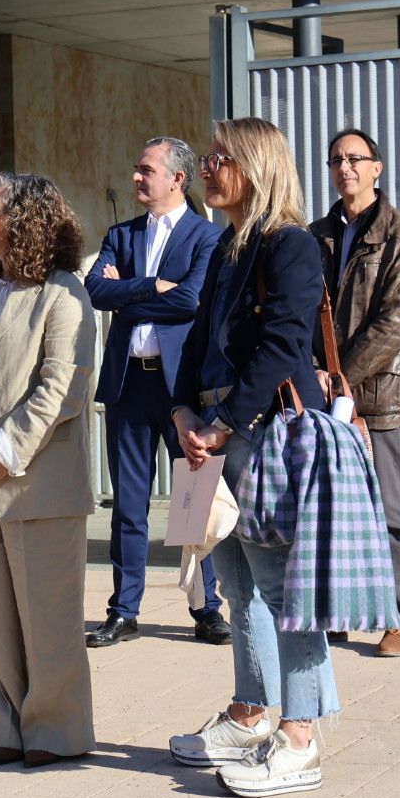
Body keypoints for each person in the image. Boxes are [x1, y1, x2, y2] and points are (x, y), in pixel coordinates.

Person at [167, 117, 337, 798]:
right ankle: (250, 713)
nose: (206, 169)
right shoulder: (226, 247)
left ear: (256, 168)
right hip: (216, 432)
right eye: (206, 159)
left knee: (283, 588)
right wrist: (183, 412)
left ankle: (299, 737)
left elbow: (283, 344)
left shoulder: (290, 244)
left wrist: (226, 423)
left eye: (220, 159)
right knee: (236, 587)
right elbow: (198, 337)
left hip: (262, 433)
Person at [0, 172, 97, 768]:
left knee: (49, 622)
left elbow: (63, 390)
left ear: (25, 221)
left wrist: (2, 452)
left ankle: (54, 732)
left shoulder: (65, 295)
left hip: (40, 485)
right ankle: (4, 728)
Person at [84, 137, 228, 648]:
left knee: (195, 499)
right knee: (128, 503)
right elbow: (95, 292)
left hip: (181, 390)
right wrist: (150, 288)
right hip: (129, 383)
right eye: (137, 169)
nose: (137, 178)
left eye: (146, 170)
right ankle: (124, 610)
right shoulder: (121, 233)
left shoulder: (206, 237)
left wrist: (131, 292)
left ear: (177, 179)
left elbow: (191, 301)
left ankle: (207, 607)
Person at [310, 128, 400, 658]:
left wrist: (340, 377)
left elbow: (397, 322)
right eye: (336, 159)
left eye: (355, 159)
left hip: (377, 394)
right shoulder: (315, 235)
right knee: (329, 509)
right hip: (317, 392)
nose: (345, 167)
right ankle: (333, 614)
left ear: (377, 168)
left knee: (390, 512)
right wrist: (311, 370)